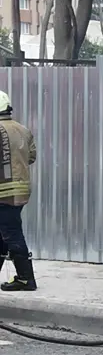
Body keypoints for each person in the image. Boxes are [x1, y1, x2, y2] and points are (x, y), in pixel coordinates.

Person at [0, 91, 36, 291]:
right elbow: (31, 157)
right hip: (20, 190)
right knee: (4, 232)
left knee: (12, 233)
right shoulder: (23, 130)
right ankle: (24, 277)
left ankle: (25, 279)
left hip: (3, 192)